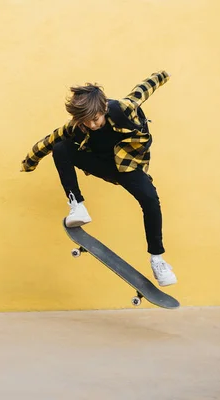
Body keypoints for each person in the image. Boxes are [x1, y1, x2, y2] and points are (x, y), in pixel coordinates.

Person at [19, 70, 177, 287]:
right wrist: (29, 162)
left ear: (103, 108)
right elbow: (48, 140)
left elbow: (142, 90)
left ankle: (157, 260)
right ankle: (78, 206)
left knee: (150, 200)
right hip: (102, 165)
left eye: (95, 120)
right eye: (86, 122)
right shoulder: (77, 126)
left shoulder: (123, 108)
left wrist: (162, 75)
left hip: (128, 166)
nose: (92, 126)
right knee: (60, 147)